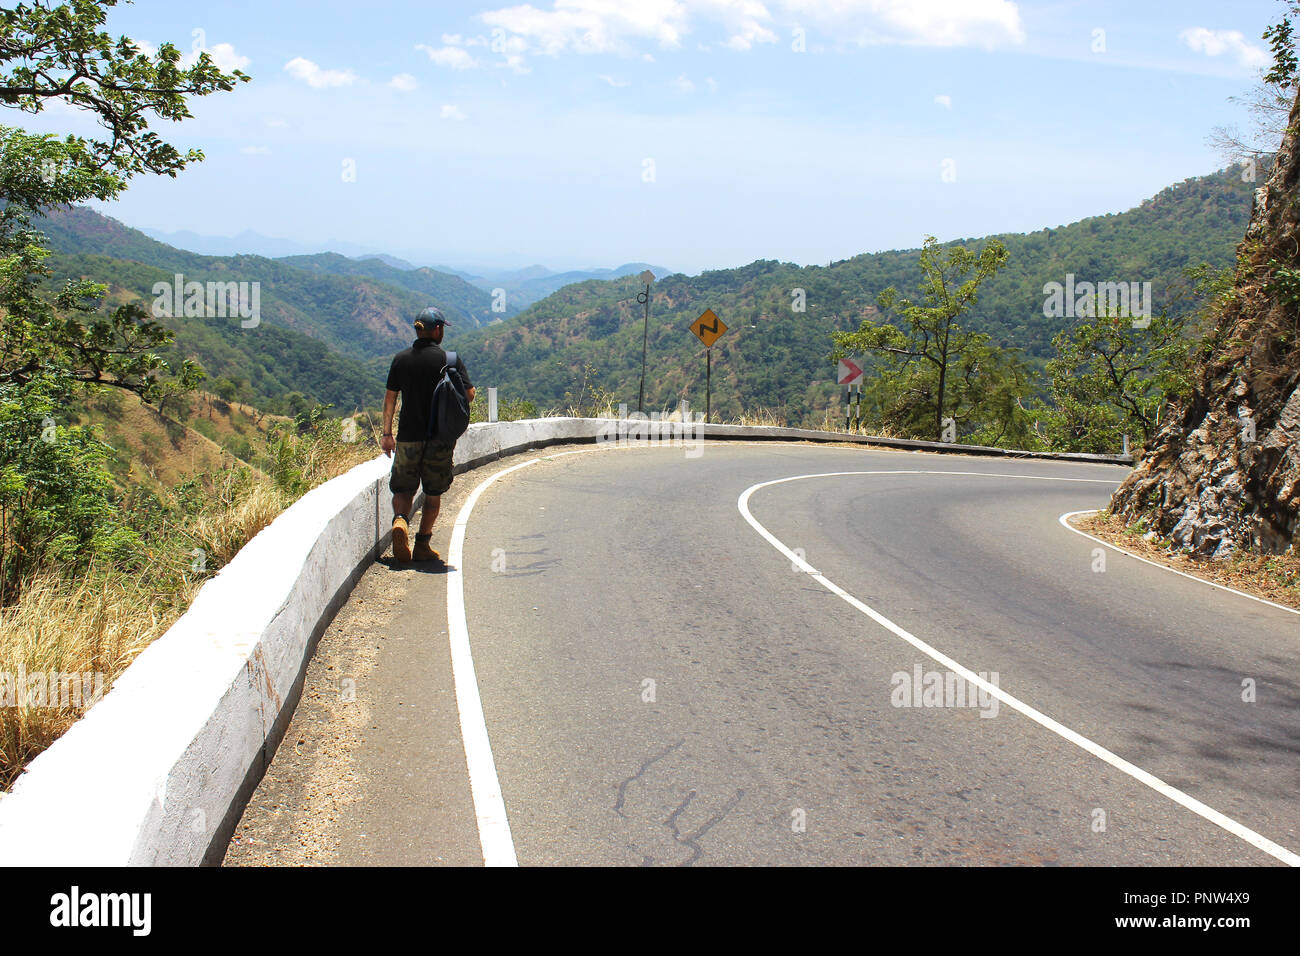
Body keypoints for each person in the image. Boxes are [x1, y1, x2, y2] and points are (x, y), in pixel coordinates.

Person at [381, 306, 475, 562]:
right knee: (433, 495)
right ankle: (422, 544)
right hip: (439, 438)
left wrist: (387, 434)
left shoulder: (401, 359)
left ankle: (400, 521)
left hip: (408, 436)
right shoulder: (450, 360)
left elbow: (390, 399)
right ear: (437, 329)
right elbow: (469, 394)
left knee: (403, 490)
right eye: (442, 327)